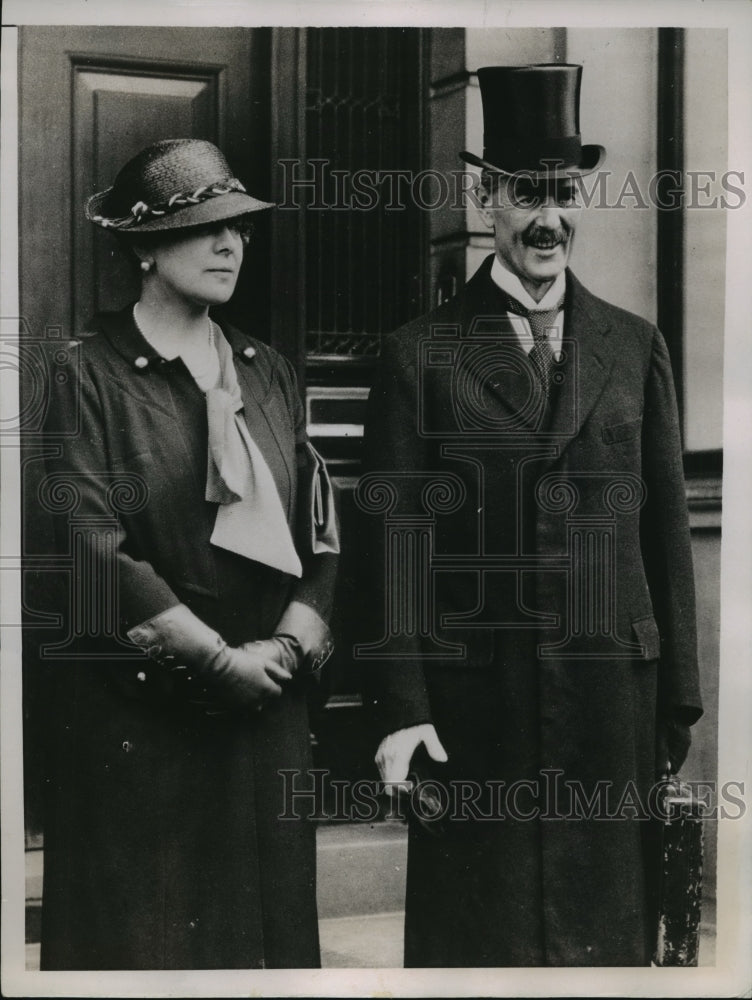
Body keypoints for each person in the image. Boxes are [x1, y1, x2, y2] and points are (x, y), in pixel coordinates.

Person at [359, 64, 702, 966]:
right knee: (486, 946)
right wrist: (401, 709)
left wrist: (677, 707)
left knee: (605, 947)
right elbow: (391, 552)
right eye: (525, 195)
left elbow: (665, 533)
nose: (548, 218)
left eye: (562, 193)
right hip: (481, 716)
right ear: (486, 198)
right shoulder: (417, 357)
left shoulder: (634, 346)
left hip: (608, 710)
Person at [38, 138, 339, 970]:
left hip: (267, 725)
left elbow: (319, 527)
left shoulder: (267, 372)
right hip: (147, 733)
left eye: (238, 228)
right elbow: (84, 543)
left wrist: (285, 646)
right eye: (203, 227)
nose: (228, 245)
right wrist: (212, 661)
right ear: (141, 247)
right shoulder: (81, 377)